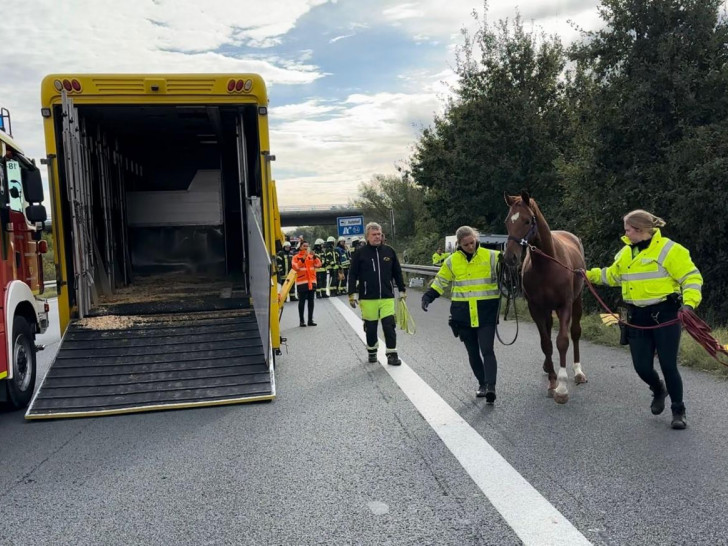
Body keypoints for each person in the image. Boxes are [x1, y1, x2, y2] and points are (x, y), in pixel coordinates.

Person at [584, 209, 702, 429]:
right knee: (641, 367)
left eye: (628, 229)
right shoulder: (625, 253)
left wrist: (689, 304)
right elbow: (611, 275)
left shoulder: (670, 250)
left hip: (665, 315)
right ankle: (658, 389)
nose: (625, 234)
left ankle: (678, 410)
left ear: (639, 229)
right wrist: (586, 274)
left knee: (668, 365)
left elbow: (692, 277)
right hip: (637, 316)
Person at [421, 226, 501, 403]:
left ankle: (491, 387)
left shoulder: (492, 256)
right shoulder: (451, 261)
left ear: (476, 238)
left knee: (487, 349)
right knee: (473, 352)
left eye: (472, 242)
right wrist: (428, 296)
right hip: (462, 314)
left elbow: (509, 273)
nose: (471, 246)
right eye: (466, 245)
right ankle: (482, 383)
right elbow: (441, 281)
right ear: (459, 244)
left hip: (486, 311)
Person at [348, 222, 406, 365]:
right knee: (371, 328)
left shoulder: (389, 251)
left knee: (389, 325)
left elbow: (397, 272)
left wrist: (402, 289)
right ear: (367, 236)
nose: (377, 237)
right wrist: (351, 294)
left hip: (387, 296)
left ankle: (392, 354)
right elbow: (352, 274)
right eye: (374, 234)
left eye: (379, 234)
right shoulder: (360, 253)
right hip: (368, 298)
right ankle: (372, 351)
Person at [292, 240, 322, 327]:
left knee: (311, 302)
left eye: (307, 246)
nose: (306, 248)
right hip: (302, 283)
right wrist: (303, 259)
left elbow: (319, 265)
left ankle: (310, 320)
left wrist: (315, 257)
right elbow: (296, 267)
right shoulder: (296, 257)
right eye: (304, 246)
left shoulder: (311, 256)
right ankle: (302, 321)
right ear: (300, 247)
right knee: (301, 302)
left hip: (312, 282)